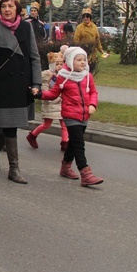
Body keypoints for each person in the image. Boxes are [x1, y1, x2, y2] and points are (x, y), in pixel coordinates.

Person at [0, 0, 41, 184]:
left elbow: (34, 56)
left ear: (17, 9)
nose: (7, 9)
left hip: (21, 84)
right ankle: (14, 169)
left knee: (11, 124)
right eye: (3, 6)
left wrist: (37, 82)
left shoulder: (26, 28)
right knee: (10, 127)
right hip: (1, 85)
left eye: (10, 6)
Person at [39, 46, 103, 186]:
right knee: (79, 144)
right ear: (70, 61)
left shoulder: (87, 76)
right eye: (79, 60)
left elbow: (93, 92)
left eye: (84, 60)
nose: (83, 62)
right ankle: (85, 174)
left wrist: (92, 105)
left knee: (74, 143)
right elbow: (53, 93)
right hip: (70, 115)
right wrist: (39, 94)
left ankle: (65, 167)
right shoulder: (63, 76)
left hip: (84, 115)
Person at [26, 51, 68, 150]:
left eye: (61, 64)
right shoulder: (47, 75)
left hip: (61, 102)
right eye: (57, 64)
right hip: (50, 102)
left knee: (64, 123)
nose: (59, 66)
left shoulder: (63, 76)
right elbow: (42, 86)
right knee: (47, 124)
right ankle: (32, 135)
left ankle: (65, 143)